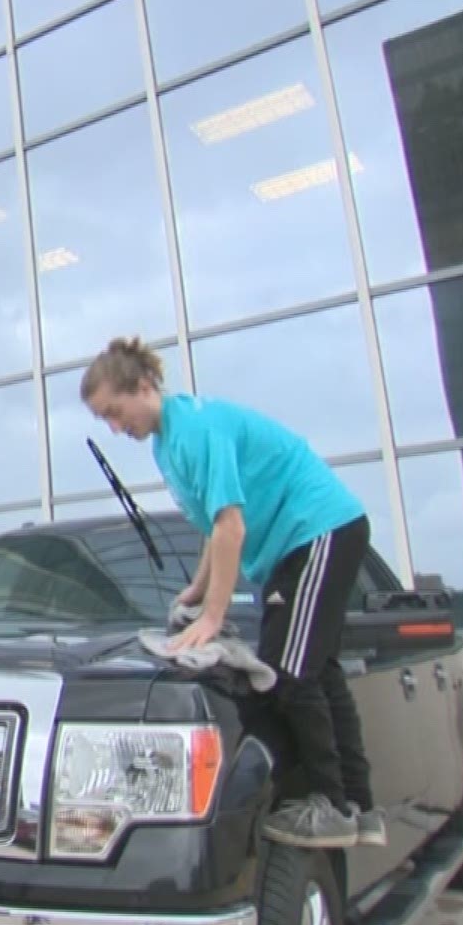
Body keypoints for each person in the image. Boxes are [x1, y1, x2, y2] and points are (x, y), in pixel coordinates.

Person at [81, 337, 383, 850]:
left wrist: (213, 617)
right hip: (296, 545)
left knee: (287, 670)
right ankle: (359, 808)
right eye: (103, 421)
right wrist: (196, 592)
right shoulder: (166, 443)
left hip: (319, 529)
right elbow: (210, 525)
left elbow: (232, 527)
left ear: (144, 386)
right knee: (317, 670)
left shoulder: (196, 427)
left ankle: (331, 806)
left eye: (114, 412)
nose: (114, 427)